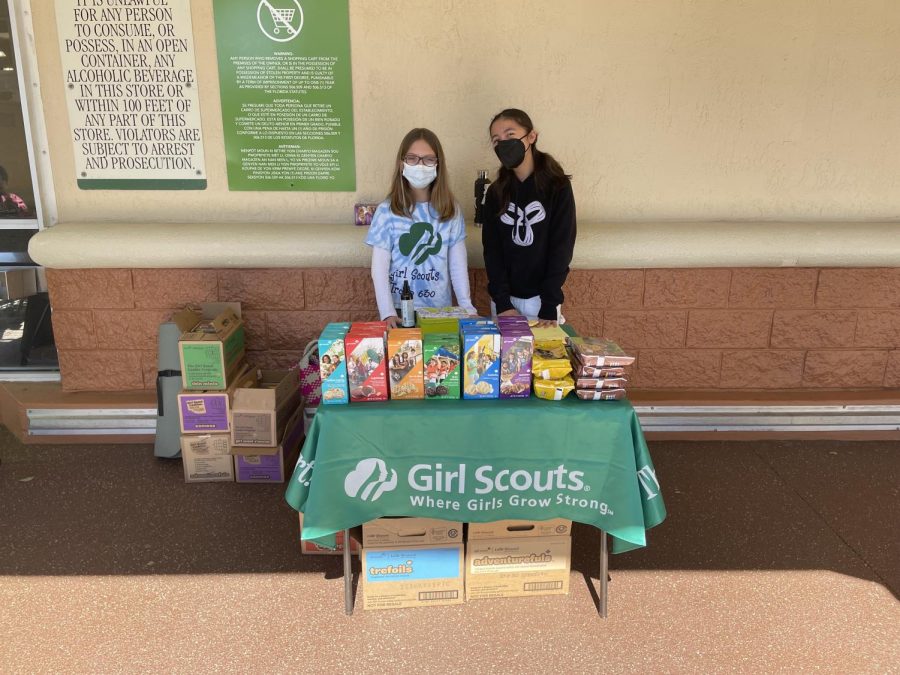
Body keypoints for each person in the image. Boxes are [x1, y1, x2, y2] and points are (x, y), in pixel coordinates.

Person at [367, 128, 477, 329]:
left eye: (428, 159)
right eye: (412, 158)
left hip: (439, 312)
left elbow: (457, 265)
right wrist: (387, 313)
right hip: (399, 312)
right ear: (402, 163)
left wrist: (466, 307)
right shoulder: (387, 211)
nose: (420, 165)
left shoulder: (451, 210)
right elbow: (379, 269)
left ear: (438, 165)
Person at [481, 109, 576, 327]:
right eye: (497, 140)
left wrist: (549, 304)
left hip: (542, 301)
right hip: (505, 304)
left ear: (531, 136)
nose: (503, 143)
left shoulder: (557, 186)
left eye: (510, 135)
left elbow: (561, 247)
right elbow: (492, 251)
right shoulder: (496, 192)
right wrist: (503, 303)